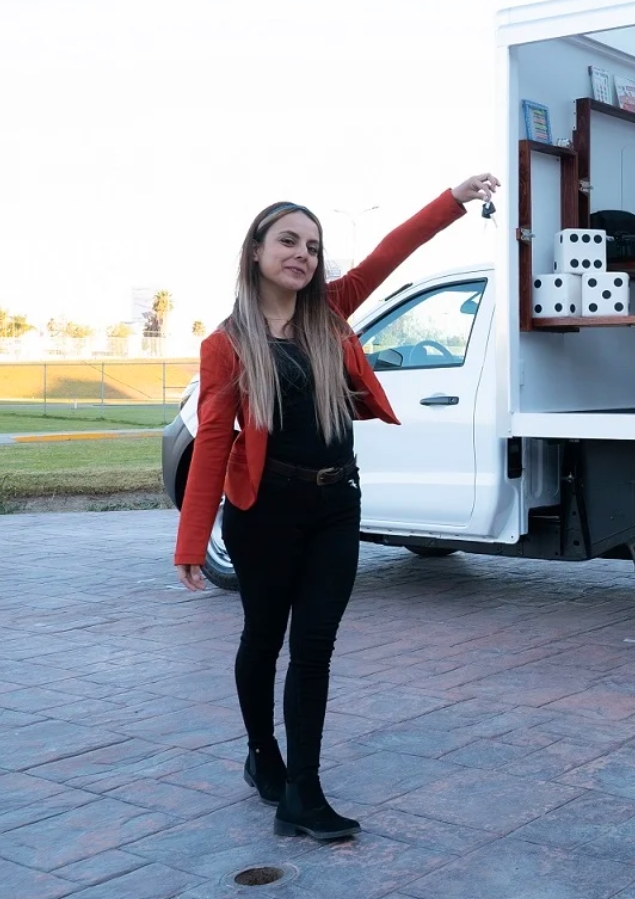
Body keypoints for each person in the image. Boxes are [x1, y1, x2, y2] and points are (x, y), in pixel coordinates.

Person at [174, 174, 499, 840]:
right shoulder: (227, 344)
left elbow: (390, 253)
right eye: (288, 241)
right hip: (264, 512)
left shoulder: (329, 312)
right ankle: (262, 754)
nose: (303, 254)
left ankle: (303, 791)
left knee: (314, 647)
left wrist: (454, 199)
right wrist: (191, 539)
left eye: (313, 246)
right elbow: (211, 442)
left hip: (334, 505)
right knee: (262, 639)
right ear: (256, 251)